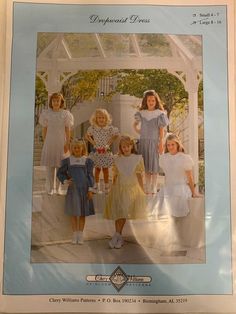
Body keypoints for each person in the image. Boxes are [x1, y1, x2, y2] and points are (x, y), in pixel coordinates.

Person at [155, 133, 200, 245]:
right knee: (166, 213)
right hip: (168, 188)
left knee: (176, 214)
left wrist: (193, 192)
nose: (170, 147)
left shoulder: (184, 158)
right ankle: (169, 237)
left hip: (180, 188)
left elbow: (190, 177)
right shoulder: (164, 158)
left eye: (172, 145)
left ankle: (176, 237)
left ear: (177, 145)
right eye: (168, 145)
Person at [104, 135, 147, 249]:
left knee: (122, 212)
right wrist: (111, 188)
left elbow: (139, 176)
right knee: (118, 213)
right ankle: (118, 236)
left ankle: (117, 236)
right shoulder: (117, 159)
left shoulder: (137, 158)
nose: (126, 148)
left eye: (128, 146)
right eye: (123, 147)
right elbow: (115, 175)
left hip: (130, 188)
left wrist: (142, 190)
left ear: (131, 146)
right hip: (118, 188)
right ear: (121, 148)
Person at [57, 139, 94, 244]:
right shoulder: (68, 161)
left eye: (79, 147)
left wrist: (90, 190)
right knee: (74, 213)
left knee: (82, 214)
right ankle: (74, 235)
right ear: (72, 149)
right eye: (75, 148)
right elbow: (60, 173)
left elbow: (90, 176)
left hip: (84, 190)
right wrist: (65, 180)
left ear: (82, 148)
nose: (77, 149)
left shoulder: (87, 161)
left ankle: (80, 235)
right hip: (73, 191)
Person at [133, 90, 169, 194]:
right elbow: (135, 125)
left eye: (153, 100)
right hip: (144, 142)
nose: (151, 102)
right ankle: (147, 187)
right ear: (146, 101)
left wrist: (161, 143)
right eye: (149, 100)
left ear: (156, 101)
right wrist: (138, 130)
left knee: (154, 166)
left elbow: (161, 129)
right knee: (147, 166)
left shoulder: (159, 114)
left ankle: (154, 186)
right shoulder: (142, 113)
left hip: (154, 142)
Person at [39, 92, 74, 195]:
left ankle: (58, 188)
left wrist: (67, 143)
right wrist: (45, 142)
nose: (56, 102)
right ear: (51, 102)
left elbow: (67, 129)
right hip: (50, 141)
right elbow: (44, 129)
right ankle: (50, 188)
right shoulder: (47, 113)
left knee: (60, 166)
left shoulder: (65, 114)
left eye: (58, 100)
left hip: (61, 141)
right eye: (54, 100)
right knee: (50, 166)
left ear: (61, 102)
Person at [85, 108, 119, 193]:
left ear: (106, 119)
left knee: (105, 169)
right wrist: (93, 143)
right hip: (97, 151)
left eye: (103, 117)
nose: (101, 119)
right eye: (99, 117)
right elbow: (87, 136)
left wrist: (108, 144)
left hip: (105, 151)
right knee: (97, 169)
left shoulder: (109, 128)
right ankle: (96, 185)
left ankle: (106, 186)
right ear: (95, 119)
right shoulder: (93, 128)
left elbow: (116, 135)